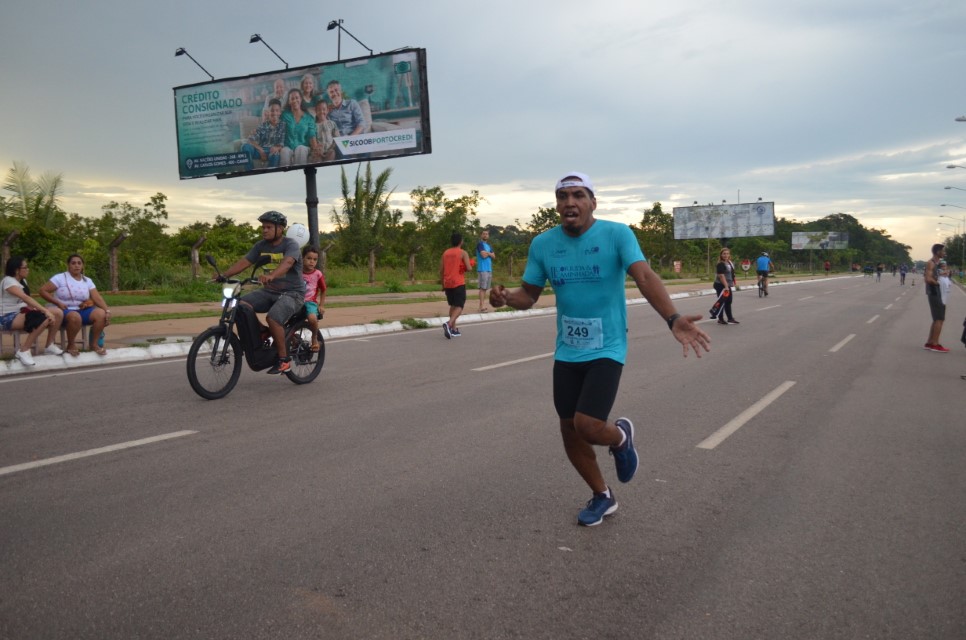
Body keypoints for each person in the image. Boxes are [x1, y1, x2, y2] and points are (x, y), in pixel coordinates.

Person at [489, 172, 710, 527]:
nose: (570, 203)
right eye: (563, 197)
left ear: (593, 202)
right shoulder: (543, 244)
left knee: (588, 425)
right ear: (557, 205)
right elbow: (528, 295)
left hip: (607, 346)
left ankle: (620, 438)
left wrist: (673, 318)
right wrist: (505, 298)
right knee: (569, 429)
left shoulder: (617, 234)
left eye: (578, 195)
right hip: (567, 350)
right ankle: (602, 495)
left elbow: (644, 276)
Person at [217, 211, 305, 374]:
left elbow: (287, 263)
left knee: (273, 318)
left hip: (293, 293)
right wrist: (224, 275)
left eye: (269, 227)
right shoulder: (260, 245)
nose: (264, 230)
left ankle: (284, 360)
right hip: (269, 291)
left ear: (280, 229)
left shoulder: (290, 244)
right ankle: (263, 330)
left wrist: (272, 275)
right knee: (240, 305)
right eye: (263, 227)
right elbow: (245, 261)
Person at [39, 254, 110, 356]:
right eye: (73, 263)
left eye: (79, 263)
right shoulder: (60, 278)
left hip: (82, 310)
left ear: (82, 265)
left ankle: (94, 344)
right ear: (68, 265)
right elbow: (43, 291)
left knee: (101, 314)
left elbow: (97, 297)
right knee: (75, 316)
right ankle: (71, 344)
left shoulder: (87, 280)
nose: (76, 265)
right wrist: (57, 302)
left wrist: (107, 311)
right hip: (64, 310)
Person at [2, 256, 63, 365]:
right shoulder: (8, 281)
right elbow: (25, 297)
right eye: (25, 267)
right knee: (42, 318)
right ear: (16, 270)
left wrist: (40, 310)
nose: (28, 269)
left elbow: (28, 302)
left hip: (21, 312)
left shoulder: (22, 281)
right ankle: (24, 351)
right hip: (7, 317)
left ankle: (49, 345)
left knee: (58, 313)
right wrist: (45, 311)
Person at [439, 232, 472, 338]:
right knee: (459, 306)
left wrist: (443, 284)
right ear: (461, 241)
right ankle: (448, 324)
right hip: (458, 283)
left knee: (453, 305)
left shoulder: (445, 253)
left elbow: (441, 270)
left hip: (448, 283)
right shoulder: (463, 253)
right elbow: (469, 268)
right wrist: (469, 264)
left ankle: (453, 329)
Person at [241, 98, 286, 171]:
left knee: (275, 155)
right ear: (268, 112)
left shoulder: (282, 125)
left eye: (277, 110)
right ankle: (250, 172)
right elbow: (251, 139)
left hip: (272, 151)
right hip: (260, 151)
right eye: (272, 110)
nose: (274, 113)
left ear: (280, 112)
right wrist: (260, 150)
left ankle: (269, 175)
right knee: (245, 147)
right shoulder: (263, 125)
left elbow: (281, 143)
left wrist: (276, 148)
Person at [280, 89, 318, 167]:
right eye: (292, 98)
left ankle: (299, 173)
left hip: (303, 146)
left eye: (297, 98)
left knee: (300, 149)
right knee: (284, 151)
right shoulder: (284, 115)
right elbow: (278, 131)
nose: (295, 100)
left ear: (301, 99)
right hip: (288, 146)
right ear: (289, 101)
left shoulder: (309, 117)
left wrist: (315, 149)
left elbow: (311, 135)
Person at [301, 245, 326, 352]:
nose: (312, 262)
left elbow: (323, 289)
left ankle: (314, 337)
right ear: (302, 258)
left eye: (315, 259)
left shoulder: (317, 274)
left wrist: (321, 305)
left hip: (310, 301)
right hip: (296, 300)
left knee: (312, 318)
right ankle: (293, 339)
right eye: (309, 258)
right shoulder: (297, 272)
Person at [923, 243, 948, 353]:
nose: (944, 253)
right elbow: (928, 279)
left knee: (936, 319)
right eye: (943, 251)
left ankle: (930, 342)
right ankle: (935, 344)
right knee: (939, 319)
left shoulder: (939, 263)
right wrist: (939, 283)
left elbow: (938, 275)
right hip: (934, 292)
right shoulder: (931, 263)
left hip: (939, 292)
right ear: (938, 252)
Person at [713, 248, 739, 325]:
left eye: (727, 253)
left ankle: (730, 318)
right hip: (721, 285)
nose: (726, 255)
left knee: (728, 301)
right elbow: (721, 276)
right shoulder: (720, 264)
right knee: (722, 302)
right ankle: (720, 319)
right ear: (721, 255)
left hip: (727, 285)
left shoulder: (729, 262)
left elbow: (732, 273)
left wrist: (733, 282)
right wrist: (726, 286)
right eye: (724, 254)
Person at [475, 230, 495, 313]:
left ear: (488, 236)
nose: (485, 235)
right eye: (484, 234)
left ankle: (481, 306)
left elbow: (494, 256)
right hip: (482, 269)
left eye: (487, 234)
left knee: (485, 288)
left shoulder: (489, 246)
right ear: (481, 235)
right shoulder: (480, 244)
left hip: (489, 269)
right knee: (482, 288)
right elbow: (483, 255)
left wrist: (488, 253)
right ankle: (481, 307)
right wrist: (489, 253)